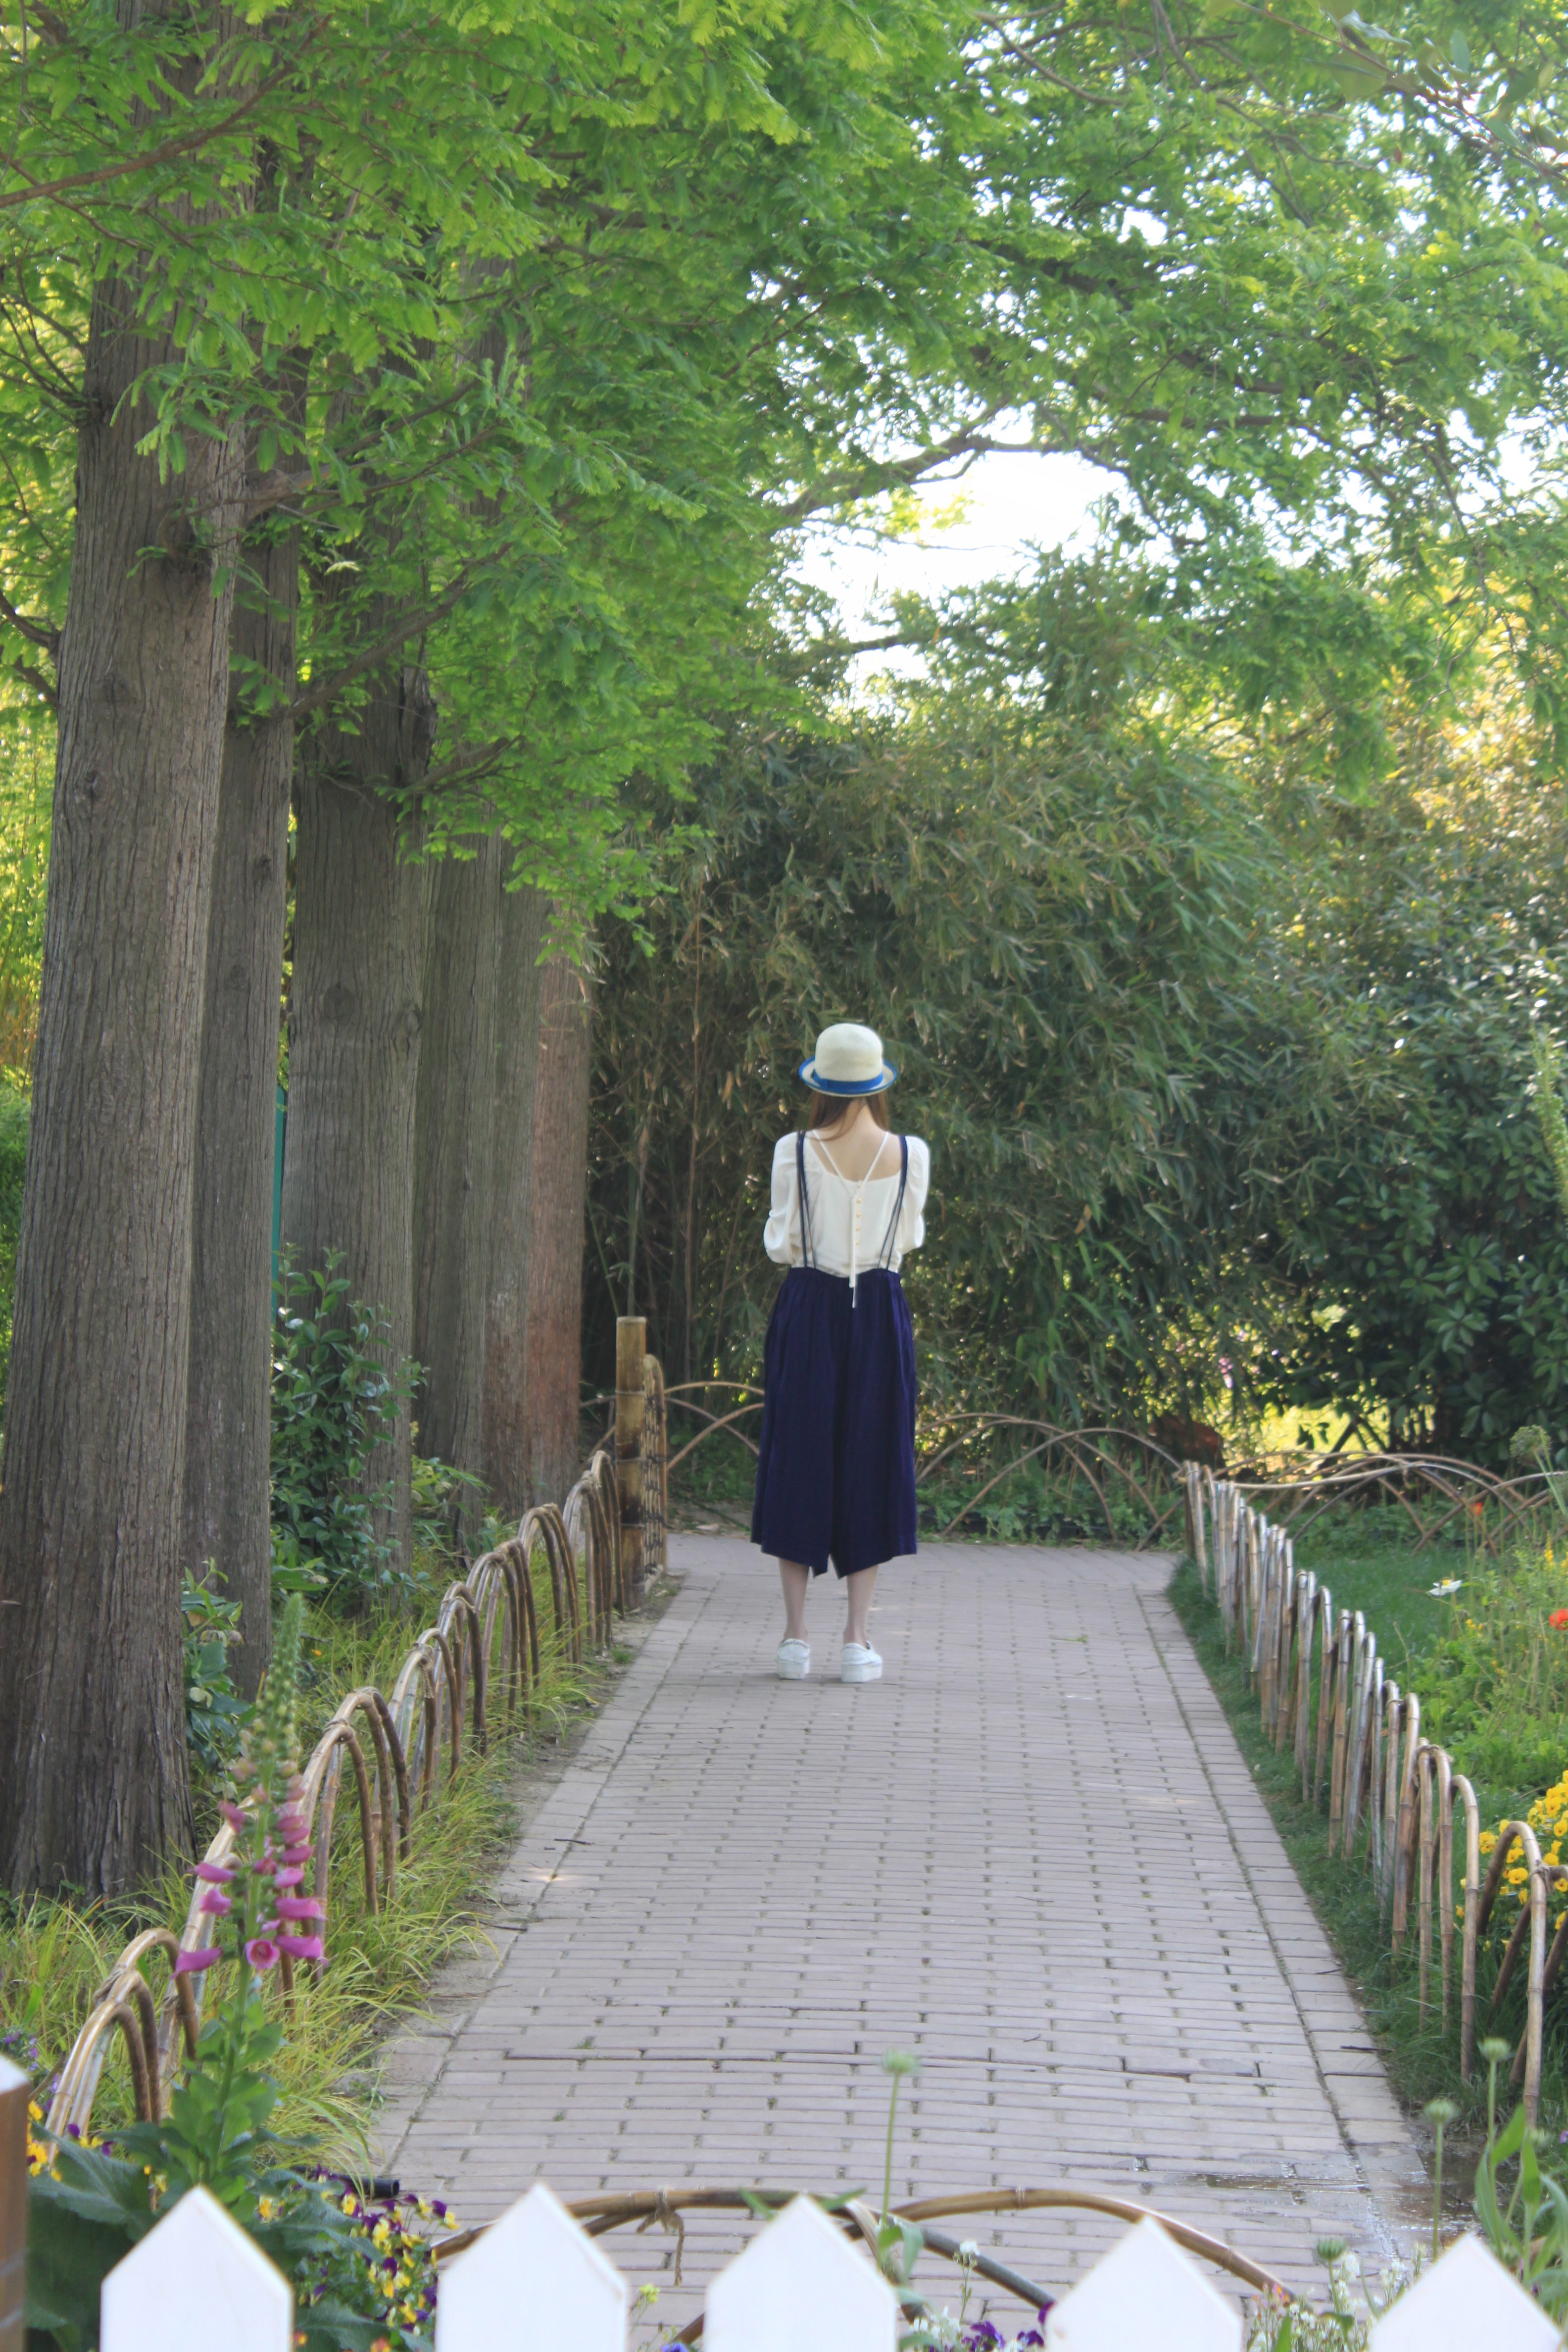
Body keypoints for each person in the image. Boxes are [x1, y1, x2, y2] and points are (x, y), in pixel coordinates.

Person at [750, 1022, 931, 1683]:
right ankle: (857, 1640)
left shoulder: (793, 1151)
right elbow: (907, 1239)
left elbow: (782, 1244)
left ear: (820, 1086)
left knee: (798, 1456)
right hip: (880, 1310)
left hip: (808, 1307)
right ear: (878, 1084)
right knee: (872, 1459)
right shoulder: (912, 1154)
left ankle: (795, 1638)